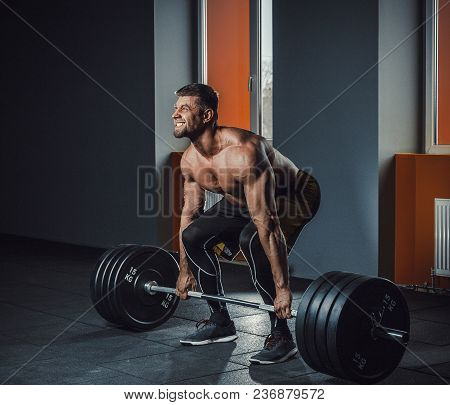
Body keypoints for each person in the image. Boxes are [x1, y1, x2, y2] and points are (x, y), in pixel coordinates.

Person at [173, 83, 321, 364]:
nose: (175, 114)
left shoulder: (245, 151)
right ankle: (220, 323)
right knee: (193, 236)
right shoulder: (190, 161)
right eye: (175, 108)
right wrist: (184, 270)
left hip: (294, 194)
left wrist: (283, 289)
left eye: (184, 108)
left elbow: (266, 222)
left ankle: (281, 335)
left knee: (251, 239)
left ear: (206, 116)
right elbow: (190, 213)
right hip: (244, 199)